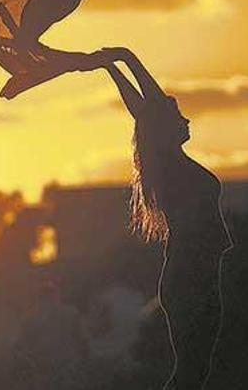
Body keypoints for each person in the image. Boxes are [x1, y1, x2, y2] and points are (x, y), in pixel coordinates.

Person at [94, 47, 234, 390]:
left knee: (195, 371)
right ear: (165, 129)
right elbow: (153, 106)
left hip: (197, 275)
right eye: (178, 118)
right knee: (192, 371)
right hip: (191, 277)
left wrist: (113, 67)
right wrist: (124, 58)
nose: (186, 120)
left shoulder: (169, 163)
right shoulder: (169, 165)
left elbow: (147, 110)